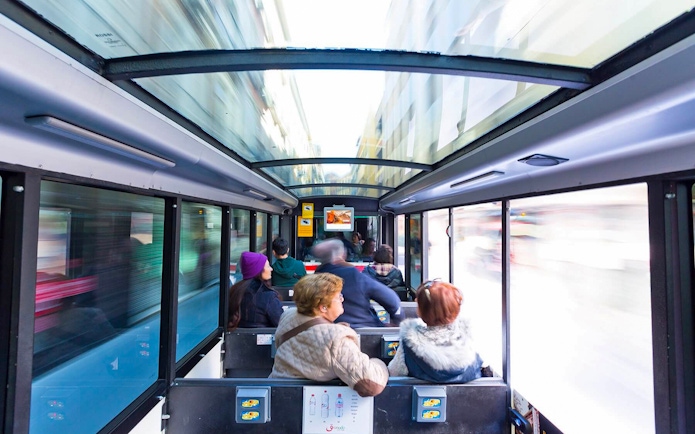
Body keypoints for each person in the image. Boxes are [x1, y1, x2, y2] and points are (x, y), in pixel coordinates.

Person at [269, 273, 388, 397]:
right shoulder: (336, 339)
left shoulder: (288, 316)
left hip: (278, 393)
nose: (342, 299)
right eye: (338, 297)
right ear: (323, 308)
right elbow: (370, 384)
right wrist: (379, 363)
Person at [387, 280, 485, 383]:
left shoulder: (410, 342)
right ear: (456, 310)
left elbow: (394, 372)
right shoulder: (471, 339)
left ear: (420, 311)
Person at [312, 239, 401, 328]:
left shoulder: (315, 279)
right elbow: (391, 299)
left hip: (326, 331)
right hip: (365, 329)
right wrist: (397, 322)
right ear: (341, 255)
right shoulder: (354, 275)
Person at [227, 251, 283, 330]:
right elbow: (282, 325)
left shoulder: (234, 291)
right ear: (258, 270)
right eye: (267, 266)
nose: (271, 269)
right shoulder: (268, 296)